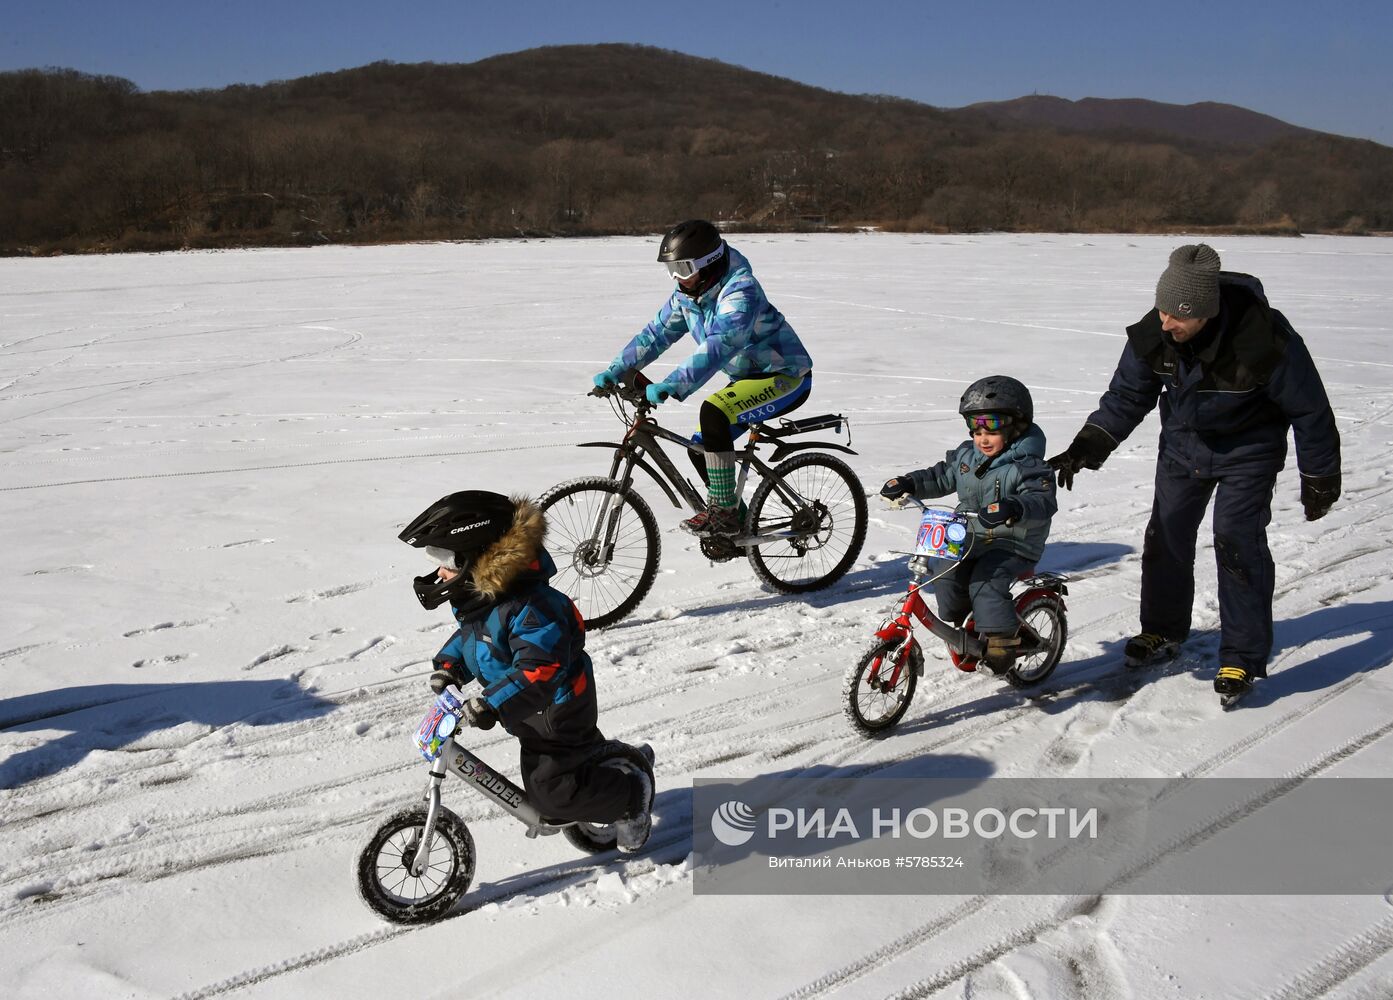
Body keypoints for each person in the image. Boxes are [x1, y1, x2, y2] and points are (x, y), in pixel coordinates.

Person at [1048, 244, 1341, 699]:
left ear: (1205, 312)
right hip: (1183, 448)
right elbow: (1127, 396)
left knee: (1236, 537)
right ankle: (1163, 630)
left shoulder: (1266, 340)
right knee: (1166, 533)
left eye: (1177, 316)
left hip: (1250, 450)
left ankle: (1241, 658)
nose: (1166, 323)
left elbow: (1311, 411)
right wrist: (1087, 446)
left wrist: (1320, 476)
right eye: (1162, 309)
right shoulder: (1156, 332)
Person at [399, 490, 655, 852]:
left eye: (447, 559)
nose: (440, 571)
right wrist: (450, 667)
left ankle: (631, 796)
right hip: (528, 711)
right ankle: (621, 765)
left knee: (553, 796)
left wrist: (491, 702)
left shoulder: (536, 608)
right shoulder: (487, 600)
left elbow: (540, 670)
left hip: (557, 709)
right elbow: (474, 638)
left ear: (482, 556)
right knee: (564, 771)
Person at [593, 220, 813, 535]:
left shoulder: (741, 291)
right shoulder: (688, 295)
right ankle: (734, 519)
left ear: (707, 263)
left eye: (682, 268)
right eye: (671, 269)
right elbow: (655, 336)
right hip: (748, 378)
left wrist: (672, 384)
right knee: (699, 447)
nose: (676, 278)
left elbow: (721, 344)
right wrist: (616, 369)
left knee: (713, 412)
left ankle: (723, 515)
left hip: (786, 376)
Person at [880, 376, 1058, 673]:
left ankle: (1001, 647)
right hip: (971, 533)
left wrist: (1013, 506)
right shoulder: (967, 456)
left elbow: (1042, 500)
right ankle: (969, 624)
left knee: (985, 582)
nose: (982, 436)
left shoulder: (1029, 465)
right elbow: (941, 476)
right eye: (975, 426)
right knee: (943, 571)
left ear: (1017, 425)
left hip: (1013, 541)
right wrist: (909, 482)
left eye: (993, 424)